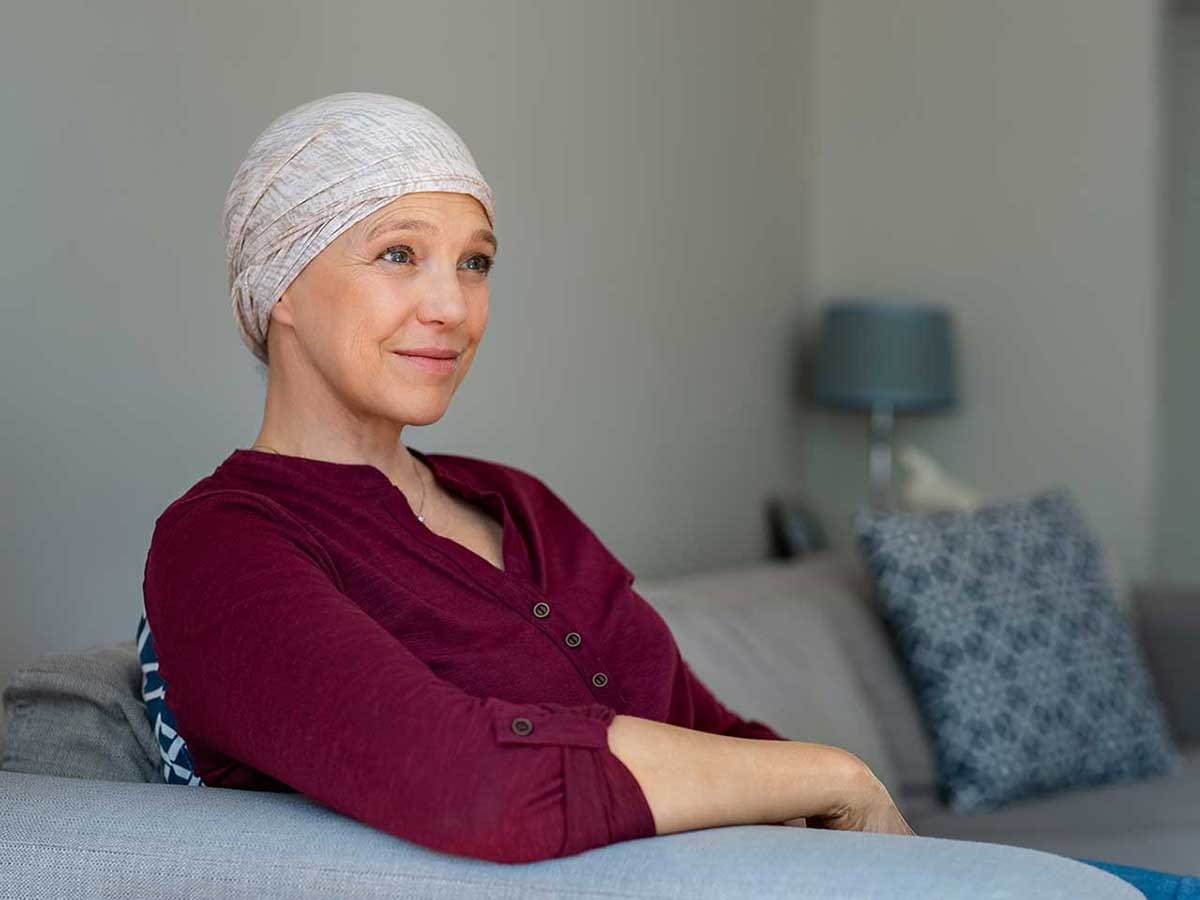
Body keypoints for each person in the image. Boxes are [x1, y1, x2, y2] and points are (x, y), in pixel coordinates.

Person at [142, 91, 1196, 895]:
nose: (451, 307)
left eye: (476, 262)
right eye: (399, 255)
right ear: (279, 284)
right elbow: (474, 783)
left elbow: (694, 721)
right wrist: (834, 776)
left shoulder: (517, 503)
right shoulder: (222, 549)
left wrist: (876, 846)